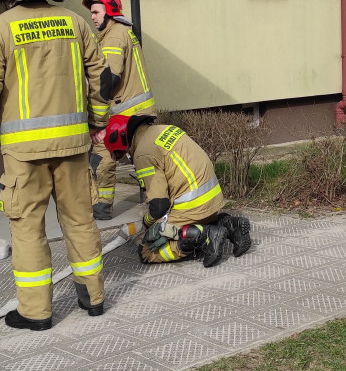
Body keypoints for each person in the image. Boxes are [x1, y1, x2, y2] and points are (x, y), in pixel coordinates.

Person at [0, 0, 119, 331]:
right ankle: (95, 299)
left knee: (28, 229)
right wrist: (97, 121)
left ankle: (36, 313)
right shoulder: (75, 22)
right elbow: (102, 79)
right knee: (80, 221)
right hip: (74, 147)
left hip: (24, 153)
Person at [102, 113, 251, 267]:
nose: (123, 156)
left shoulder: (143, 153)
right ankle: (230, 225)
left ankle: (205, 236)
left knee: (147, 250)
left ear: (121, 138)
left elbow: (159, 205)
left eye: (119, 153)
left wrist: (147, 224)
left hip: (192, 205)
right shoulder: (164, 129)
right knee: (181, 221)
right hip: (213, 199)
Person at [81, 0, 155, 221]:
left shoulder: (114, 35)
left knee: (104, 160)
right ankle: (158, 202)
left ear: (109, 11)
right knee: (144, 161)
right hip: (134, 112)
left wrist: (96, 121)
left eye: (95, 12)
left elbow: (108, 80)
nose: (92, 17)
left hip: (126, 114)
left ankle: (103, 208)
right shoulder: (118, 32)